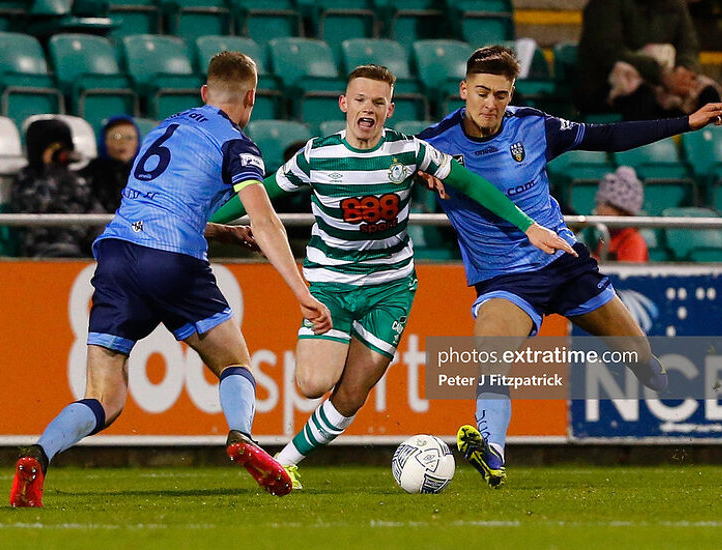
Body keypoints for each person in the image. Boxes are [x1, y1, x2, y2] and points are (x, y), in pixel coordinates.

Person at [208, 64, 575, 489]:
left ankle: (284, 461)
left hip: (391, 288)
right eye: (360, 100)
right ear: (344, 104)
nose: (368, 109)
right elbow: (259, 194)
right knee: (312, 384)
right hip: (331, 284)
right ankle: (298, 430)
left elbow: (472, 184)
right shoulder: (316, 156)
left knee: (351, 395)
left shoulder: (410, 153)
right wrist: (202, 223)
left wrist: (528, 225)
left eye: (378, 102)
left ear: (389, 109)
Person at [9, 51, 332, 507]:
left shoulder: (163, 129)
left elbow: (158, 204)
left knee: (105, 397)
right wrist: (302, 294)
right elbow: (267, 221)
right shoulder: (236, 143)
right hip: (173, 261)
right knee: (234, 363)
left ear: (204, 93)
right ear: (251, 99)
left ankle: (38, 456)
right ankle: (242, 437)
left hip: (117, 257)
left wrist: (221, 231)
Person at [415, 45, 722, 488]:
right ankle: (493, 451)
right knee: (491, 358)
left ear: (511, 95)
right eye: (482, 93)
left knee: (642, 361)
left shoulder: (534, 127)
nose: (491, 104)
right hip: (505, 279)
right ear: (464, 90)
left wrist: (686, 122)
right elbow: (384, 176)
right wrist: (418, 173)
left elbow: (607, 136)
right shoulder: (431, 145)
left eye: (501, 95)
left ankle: (657, 375)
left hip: (564, 263)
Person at [577, 0, 722, 121]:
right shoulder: (605, 5)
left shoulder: (676, 5)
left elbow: (688, 45)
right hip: (607, 84)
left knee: (709, 96)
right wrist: (661, 76)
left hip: (666, 79)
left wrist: (683, 69)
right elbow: (609, 52)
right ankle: (646, 154)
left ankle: (699, 150)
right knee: (643, 99)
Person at [11, 118, 105, 257]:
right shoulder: (26, 178)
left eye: (64, 147)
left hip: (82, 246)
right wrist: (51, 171)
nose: (62, 152)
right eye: (54, 148)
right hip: (45, 248)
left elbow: (94, 211)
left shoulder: (76, 178)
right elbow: (37, 207)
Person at [80, 115, 141, 213]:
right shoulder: (90, 174)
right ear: (104, 141)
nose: (123, 142)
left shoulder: (149, 174)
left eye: (129, 138)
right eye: (116, 137)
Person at [593, 166, 649, 263]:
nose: (598, 209)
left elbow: (628, 276)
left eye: (606, 205)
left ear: (622, 211)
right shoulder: (606, 236)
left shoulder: (633, 241)